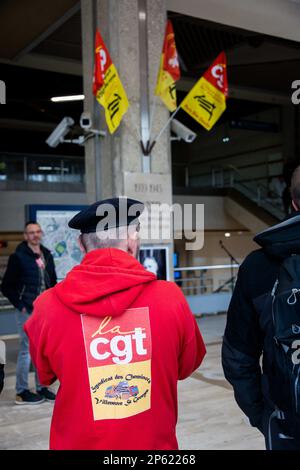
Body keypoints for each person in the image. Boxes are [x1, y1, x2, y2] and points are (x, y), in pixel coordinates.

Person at [24, 197, 206, 450]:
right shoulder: (171, 298)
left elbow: (44, 375)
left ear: (80, 244)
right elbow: (187, 365)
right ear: (132, 241)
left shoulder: (46, 307)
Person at [222, 165, 300, 450]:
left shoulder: (257, 266)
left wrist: (263, 415)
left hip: (284, 423)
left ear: (292, 202)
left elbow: (237, 357)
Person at [1, 221, 57, 405]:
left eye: (37, 231)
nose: (35, 235)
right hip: (27, 310)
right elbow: (6, 286)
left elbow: (53, 281)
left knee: (42, 351)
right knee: (26, 351)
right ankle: (22, 391)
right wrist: (21, 305)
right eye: (30, 232)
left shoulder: (46, 254)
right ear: (25, 236)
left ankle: (42, 387)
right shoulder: (19, 257)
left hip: (44, 311)